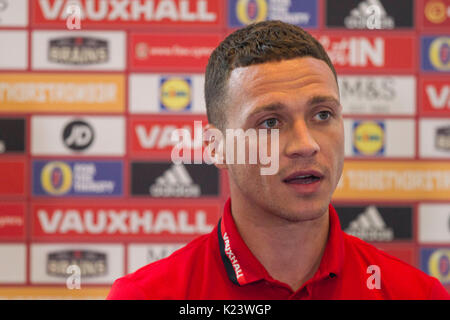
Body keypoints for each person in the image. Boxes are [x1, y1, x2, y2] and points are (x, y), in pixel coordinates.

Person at [107, 20, 449, 299]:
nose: (306, 144)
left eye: (323, 115)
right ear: (217, 147)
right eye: (270, 122)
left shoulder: (416, 294)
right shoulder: (147, 296)